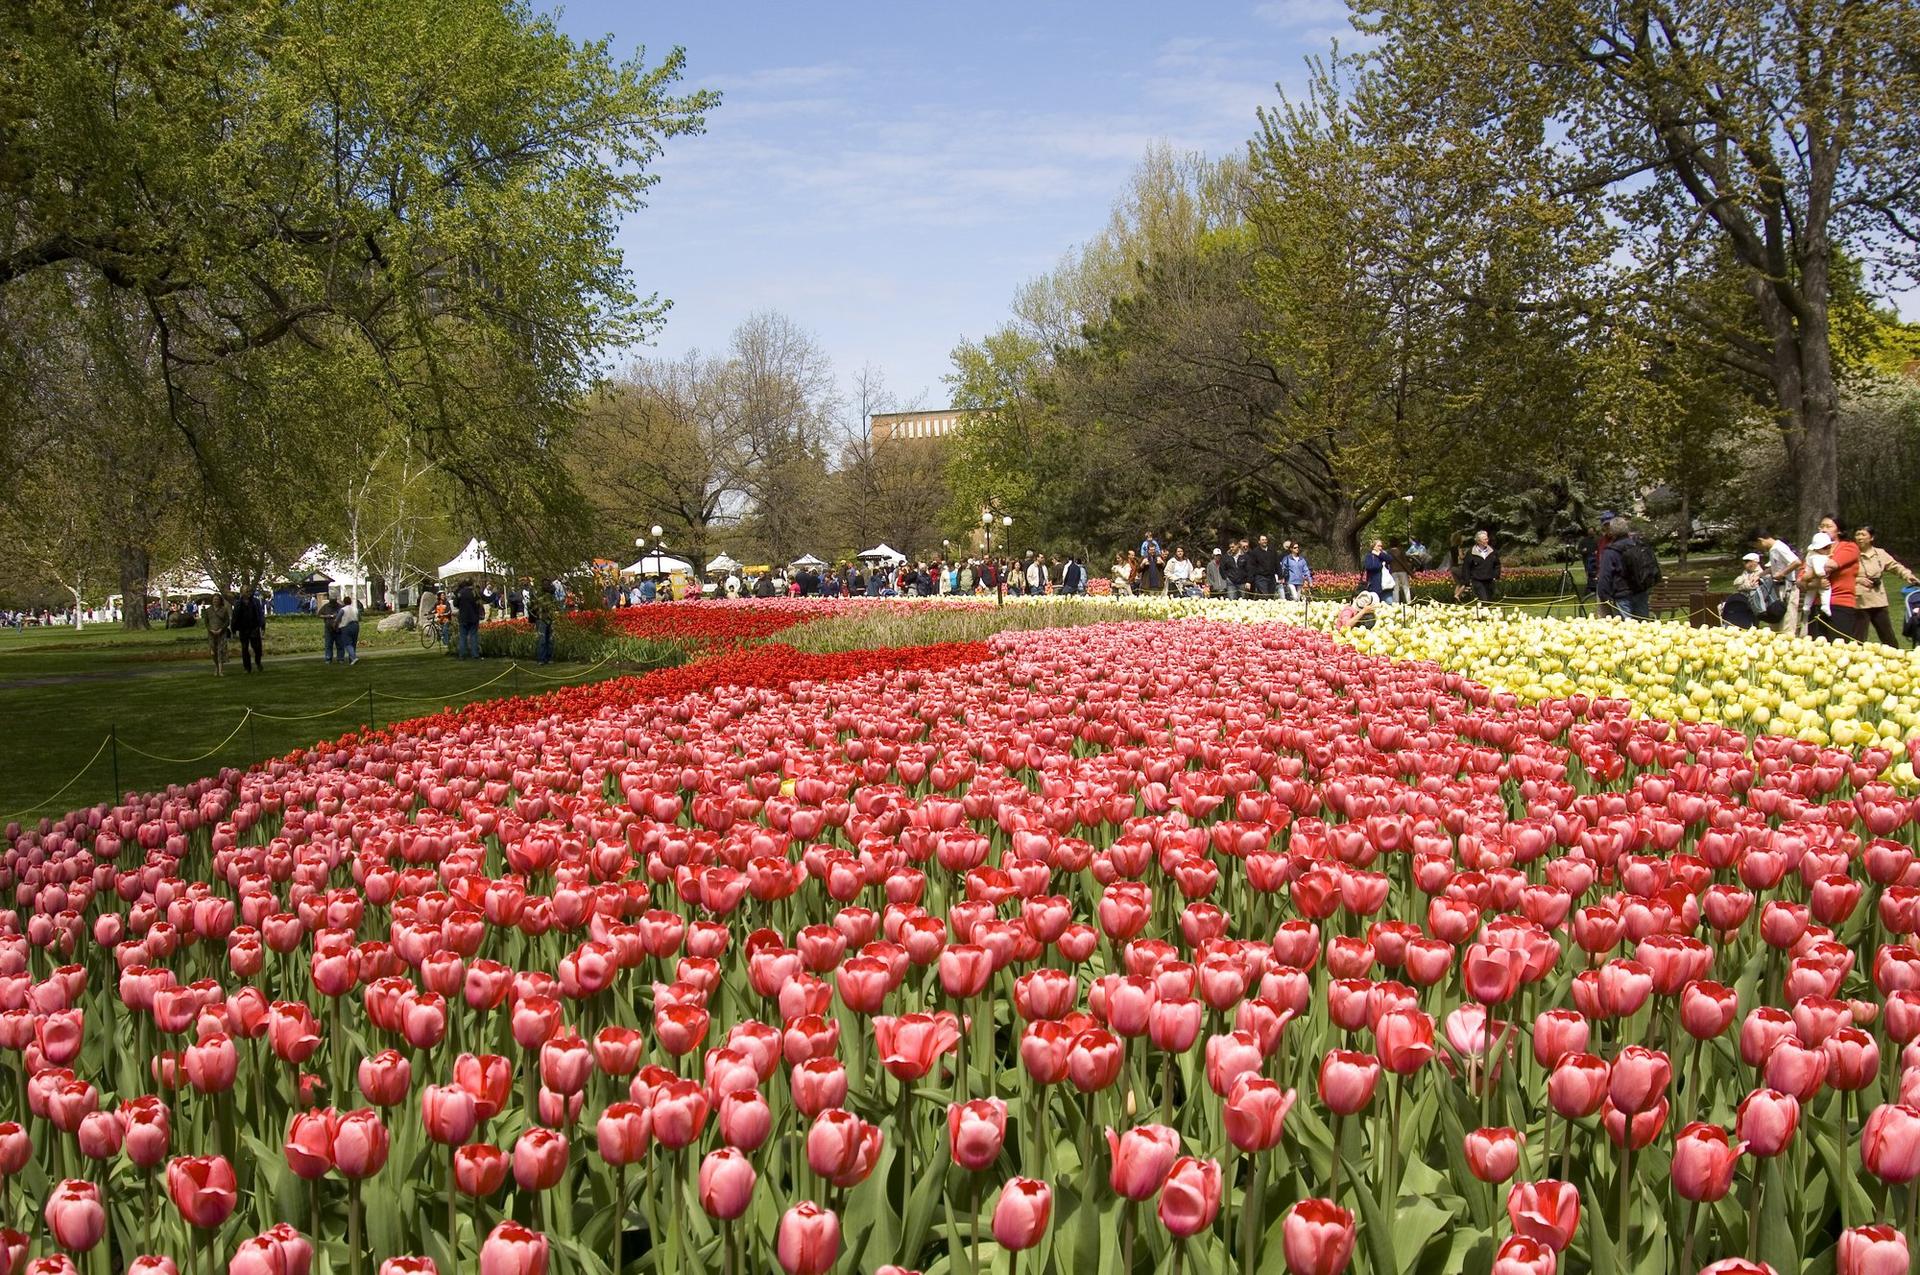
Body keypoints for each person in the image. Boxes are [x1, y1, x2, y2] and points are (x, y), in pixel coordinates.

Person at [1851, 526, 1914, 646]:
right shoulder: (1851, 553)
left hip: (1878, 600)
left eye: (1863, 535)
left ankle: (1895, 659)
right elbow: (1843, 575)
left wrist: (1908, 576)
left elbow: (1895, 566)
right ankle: (1855, 660)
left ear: (1872, 537)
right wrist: (1858, 580)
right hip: (1859, 601)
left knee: (1888, 636)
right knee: (1857, 638)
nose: (1859, 537)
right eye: (1857, 534)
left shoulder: (1880, 553)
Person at [1805, 522, 1860, 642]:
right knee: (1815, 648)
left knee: (1838, 647)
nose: (1824, 529)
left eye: (1828, 526)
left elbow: (1831, 565)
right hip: (1816, 605)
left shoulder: (1849, 547)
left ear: (1839, 531)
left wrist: (1809, 573)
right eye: (1821, 526)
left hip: (1840, 604)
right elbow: (1800, 581)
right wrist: (1815, 584)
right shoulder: (1813, 553)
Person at [1595, 516, 1658, 619]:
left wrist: (1604, 596)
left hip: (1622, 595)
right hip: (1640, 591)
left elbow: (1605, 576)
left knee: (1626, 631)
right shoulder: (1638, 545)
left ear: (1612, 531)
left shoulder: (1611, 551)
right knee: (1644, 627)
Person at [1752, 529, 1802, 633]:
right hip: (1778, 589)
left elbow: (1796, 562)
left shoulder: (1779, 547)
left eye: (1756, 546)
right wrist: (1760, 574)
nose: (1758, 549)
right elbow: (1775, 567)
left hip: (1787, 588)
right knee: (1776, 623)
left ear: (1760, 540)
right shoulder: (1773, 550)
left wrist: (1782, 573)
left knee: (1787, 624)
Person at [231, 588, 265, 672]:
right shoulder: (238, 603)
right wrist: (233, 629)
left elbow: (260, 614)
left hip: (254, 627)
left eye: (249, 591)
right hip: (243, 628)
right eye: (246, 591)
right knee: (245, 648)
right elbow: (234, 616)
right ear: (242, 592)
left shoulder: (255, 602)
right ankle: (247, 667)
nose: (248, 593)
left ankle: (258, 662)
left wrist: (263, 626)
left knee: (257, 648)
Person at [1466, 530, 1502, 603]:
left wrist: (1496, 575)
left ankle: (1484, 613)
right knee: (1484, 599)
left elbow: (1497, 564)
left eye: (1487, 539)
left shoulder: (1492, 551)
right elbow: (1466, 567)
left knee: (1489, 600)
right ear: (1479, 541)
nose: (1487, 541)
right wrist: (1466, 581)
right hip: (1477, 580)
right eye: (1484, 539)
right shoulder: (1471, 552)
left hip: (1489, 580)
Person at [453, 579, 483, 658]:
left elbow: (455, 604)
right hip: (473, 616)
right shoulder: (474, 592)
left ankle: (462, 654)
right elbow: (479, 602)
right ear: (472, 583)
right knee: (473, 635)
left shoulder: (460, 593)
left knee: (463, 636)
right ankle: (475, 654)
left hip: (463, 617)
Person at [204, 593, 231, 676]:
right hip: (211, 634)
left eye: (217, 599)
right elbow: (206, 622)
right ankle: (216, 666)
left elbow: (227, 621)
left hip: (221, 633)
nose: (216, 601)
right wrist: (210, 629)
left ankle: (220, 670)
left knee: (220, 651)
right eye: (214, 599)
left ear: (220, 601)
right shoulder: (208, 610)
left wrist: (221, 629)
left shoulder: (224, 610)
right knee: (213, 652)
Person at [317, 593, 341, 663]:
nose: (333, 603)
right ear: (330, 600)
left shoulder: (340, 606)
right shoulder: (326, 607)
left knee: (339, 644)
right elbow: (319, 615)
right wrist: (328, 616)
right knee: (328, 644)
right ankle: (328, 658)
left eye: (334, 601)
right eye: (332, 601)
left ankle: (340, 658)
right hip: (328, 628)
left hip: (338, 628)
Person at [337, 595, 361, 666]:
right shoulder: (355, 609)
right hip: (356, 626)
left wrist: (335, 625)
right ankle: (351, 660)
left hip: (346, 626)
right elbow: (360, 618)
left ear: (344, 602)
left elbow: (338, 618)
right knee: (353, 643)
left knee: (347, 643)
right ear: (350, 602)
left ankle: (353, 658)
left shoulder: (343, 610)